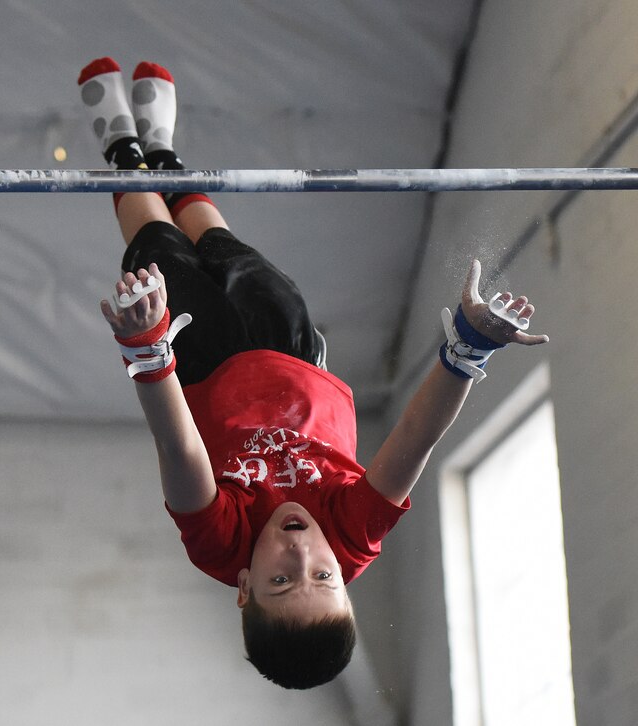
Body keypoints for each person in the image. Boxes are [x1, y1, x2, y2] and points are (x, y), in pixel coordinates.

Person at [79, 57, 550, 689]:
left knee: (159, 242)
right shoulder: (354, 535)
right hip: (292, 351)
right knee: (222, 242)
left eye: (280, 579)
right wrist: (467, 352)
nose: (303, 553)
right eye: (324, 577)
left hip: (197, 358)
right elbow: (414, 437)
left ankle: (122, 148)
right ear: (346, 579)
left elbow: (179, 445)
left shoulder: (220, 546)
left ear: (244, 589)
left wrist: (147, 346)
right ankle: (166, 156)